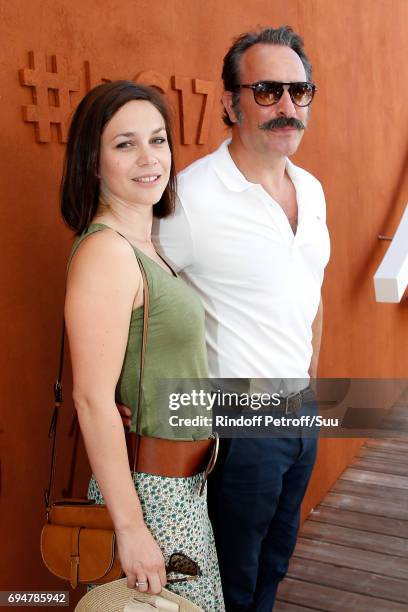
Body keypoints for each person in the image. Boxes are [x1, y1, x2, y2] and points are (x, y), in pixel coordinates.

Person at [151, 26, 331, 611]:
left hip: (302, 409)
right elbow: (143, 301)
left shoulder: (312, 189)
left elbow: (312, 296)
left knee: (276, 561)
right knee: (231, 571)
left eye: (299, 91)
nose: (286, 106)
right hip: (238, 416)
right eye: (267, 91)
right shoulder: (192, 197)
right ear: (230, 103)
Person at [61, 80, 224, 612]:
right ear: (93, 161)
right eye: (125, 143)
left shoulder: (146, 247)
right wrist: (130, 530)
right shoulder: (106, 253)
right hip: (150, 497)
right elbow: (90, 399)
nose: (149, 157)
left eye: (157, 140)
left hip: (180, 491)